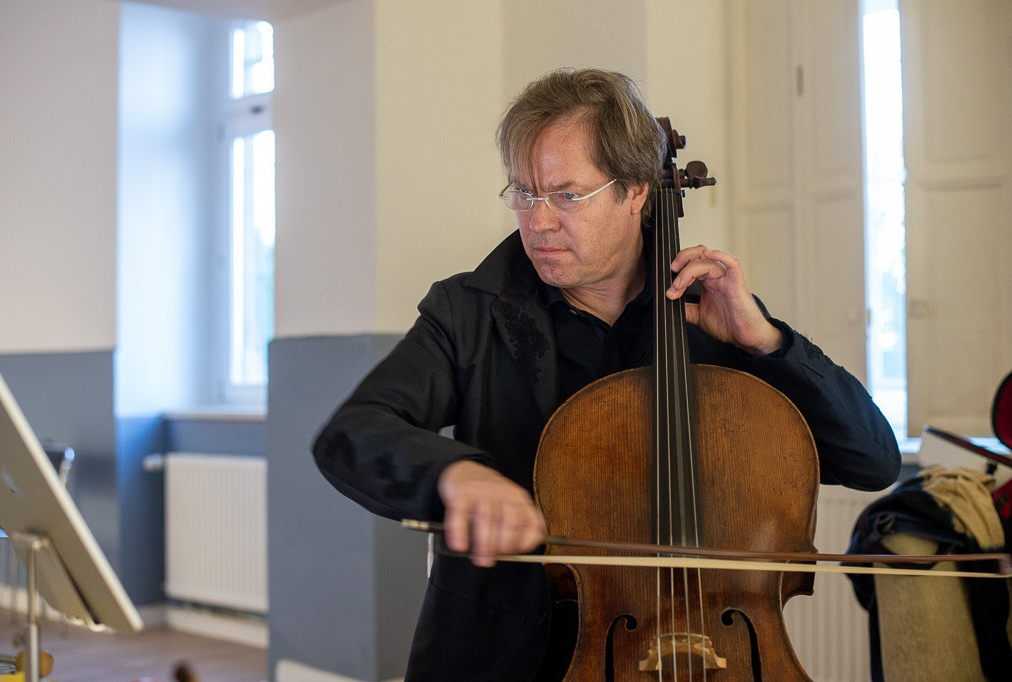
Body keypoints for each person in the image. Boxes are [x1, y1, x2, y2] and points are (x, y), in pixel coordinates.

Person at [312, 67, 901, 680]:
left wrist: (769, 342)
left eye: (567, 196)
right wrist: (456, 474)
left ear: (638, 191)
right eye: (524, 192)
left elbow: (872, 461)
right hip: (500, 659)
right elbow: (353, 431)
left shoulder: (711, 316)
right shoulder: (468, 312)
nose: (538, 223)